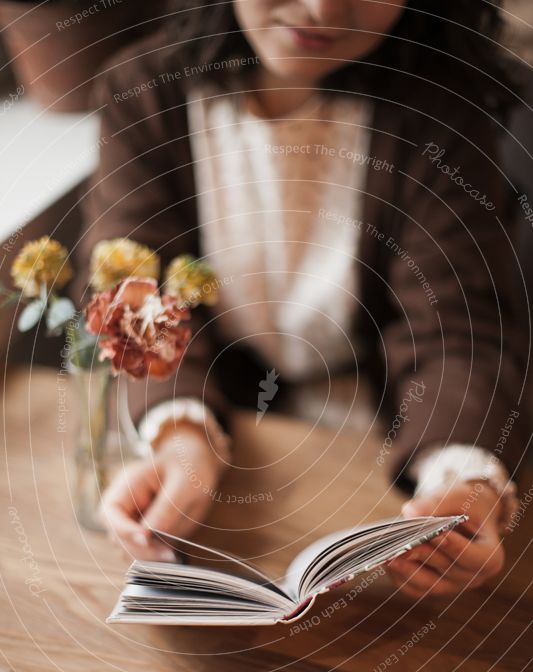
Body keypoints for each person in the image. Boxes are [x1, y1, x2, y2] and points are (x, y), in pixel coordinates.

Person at [78, 0, 529, 598]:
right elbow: (136, 290)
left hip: (387, 433)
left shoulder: (440, 111)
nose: (321, 8)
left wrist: (465, 478)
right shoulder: (143, 91)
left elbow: (461, 324)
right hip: (226, 424)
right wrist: (181, 435)